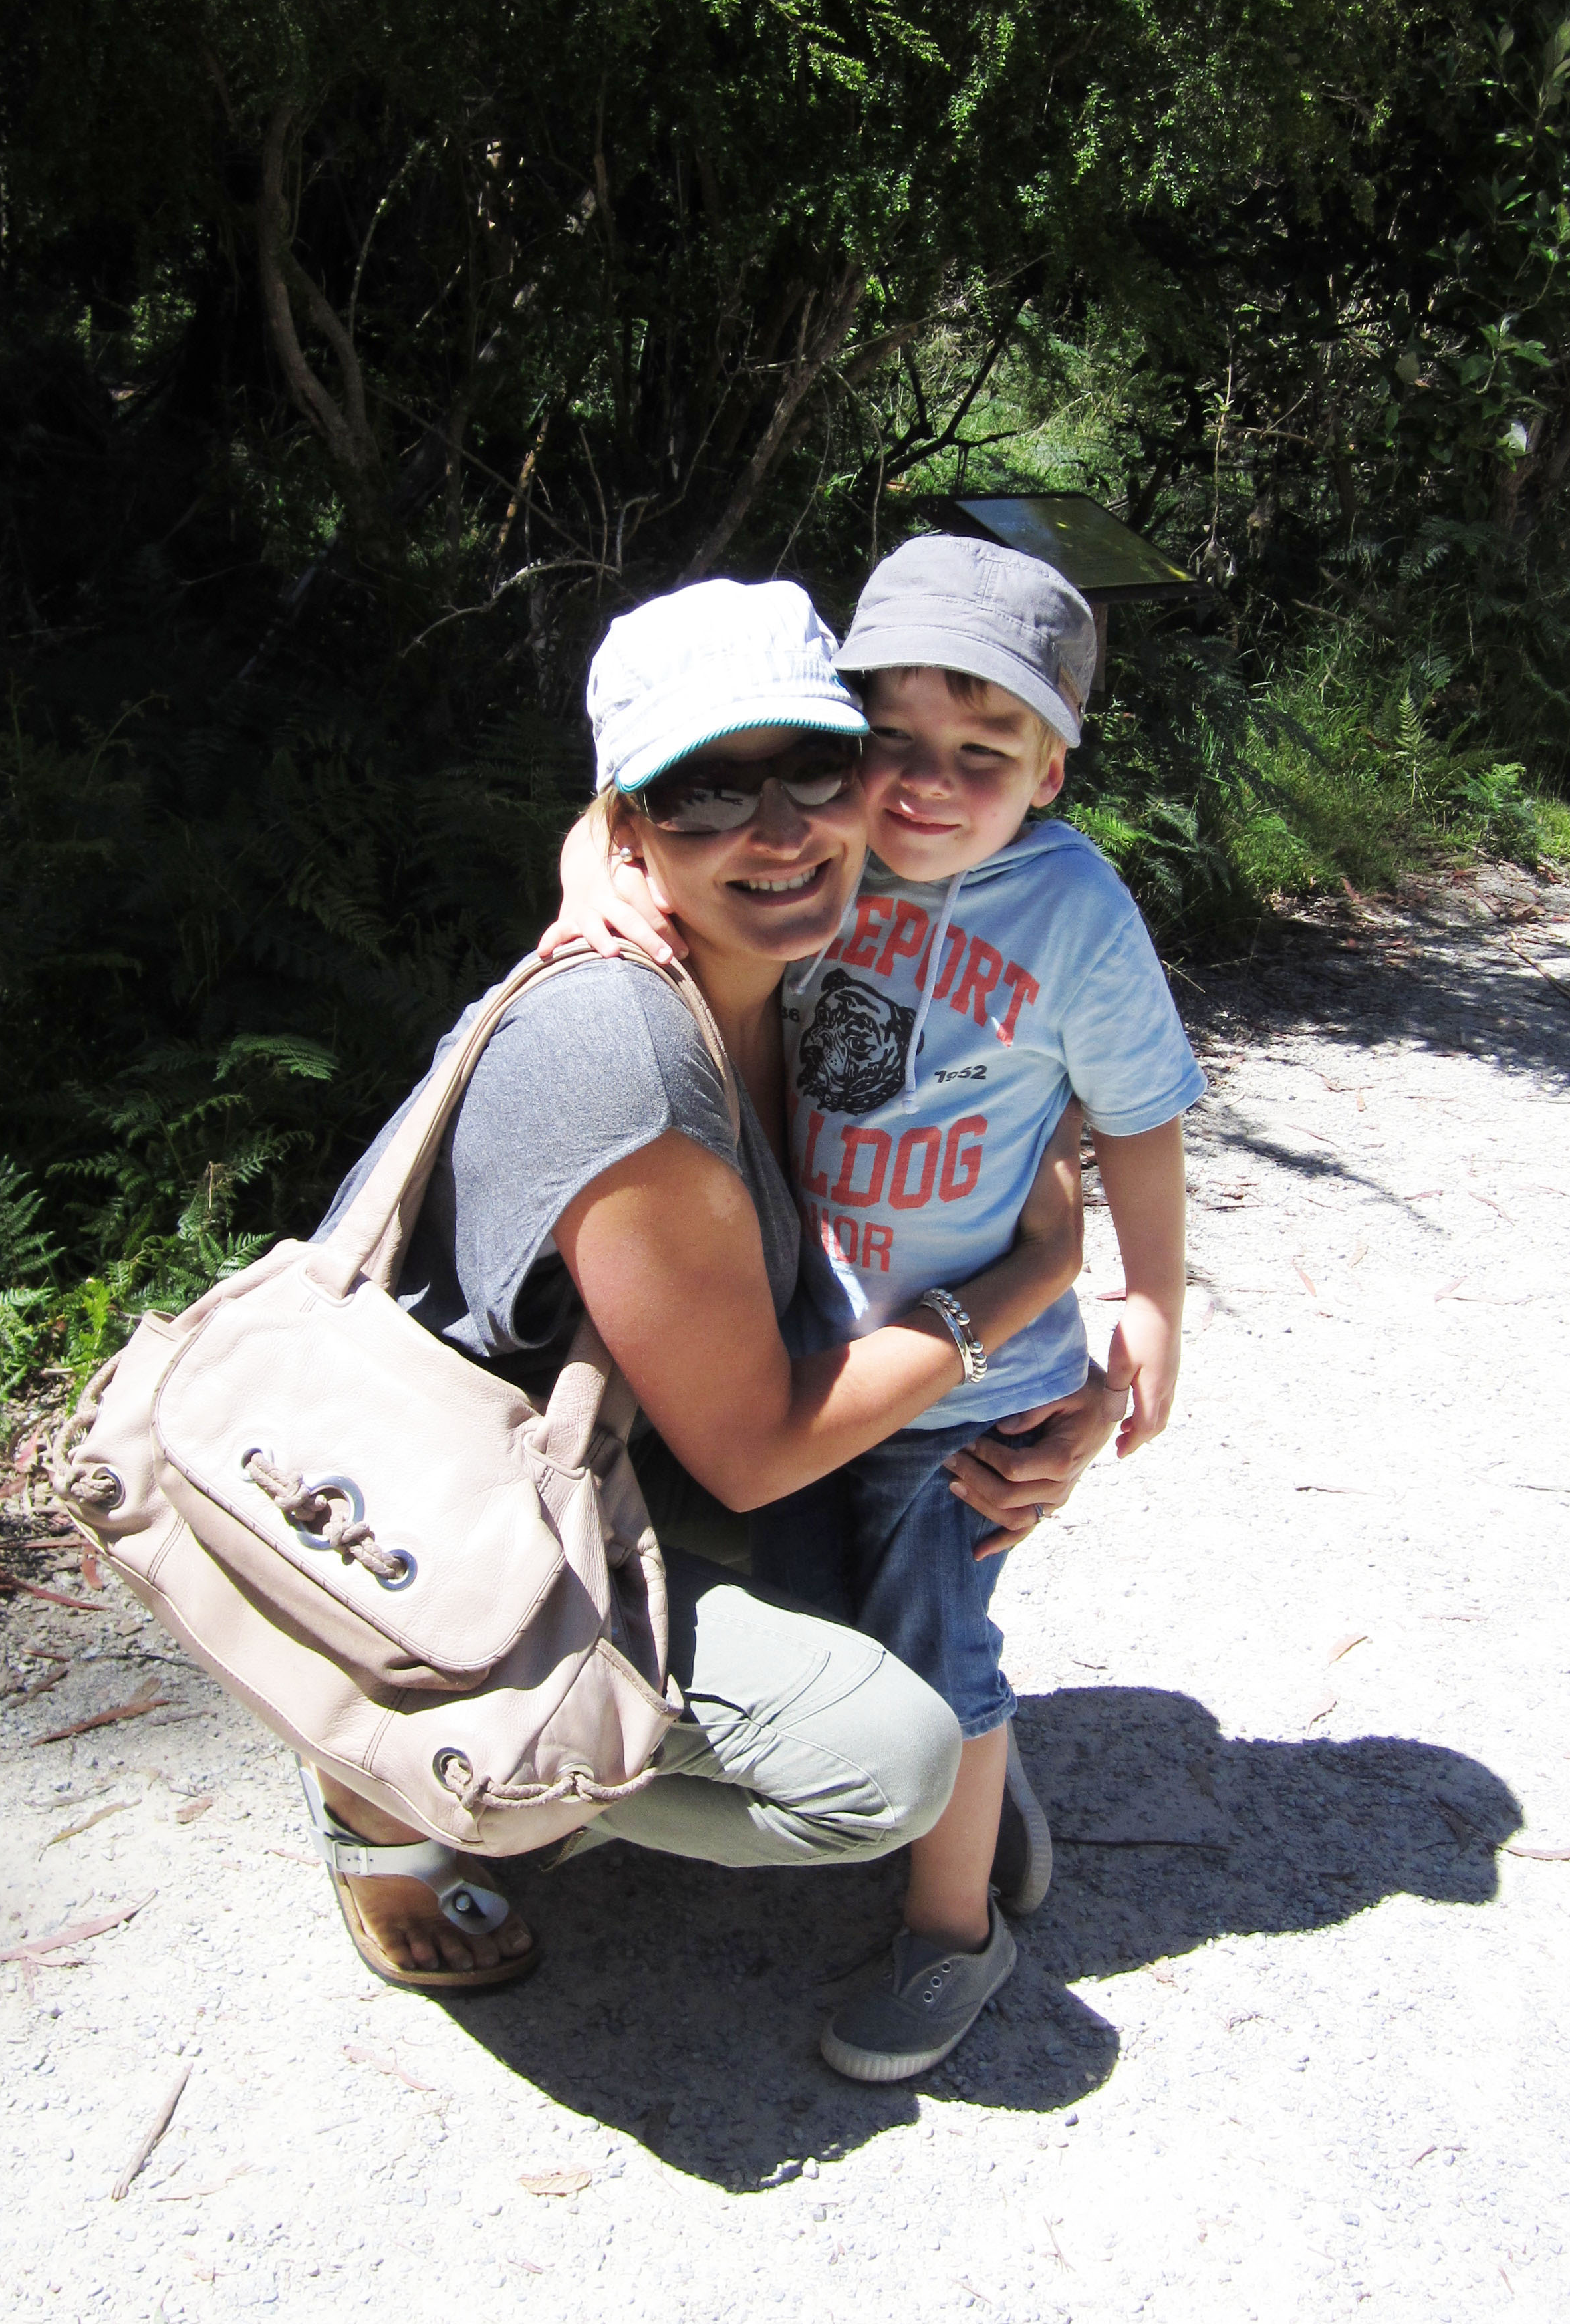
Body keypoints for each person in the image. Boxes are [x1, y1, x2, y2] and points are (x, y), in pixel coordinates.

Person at [298, 575, 1124, 2028]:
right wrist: (1029, 1288)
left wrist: (1083, 1393)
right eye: (703, 792)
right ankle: (394, 1764)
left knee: (919, 1524)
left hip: (630, 1445)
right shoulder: (631, 1050)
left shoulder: (803, 966)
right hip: (441, 1514)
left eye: (814, 765)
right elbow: (756, 1446)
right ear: (632, 828)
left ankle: (907, 1724)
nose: (780, 826)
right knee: (888, 1760)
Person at [554, 535, 1202, 2081]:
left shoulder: (1075, 913)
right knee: (850, 1604)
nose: (926, 786)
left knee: (935, 1643)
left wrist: (1156, 1299)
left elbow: (1141, 1116)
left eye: (985, 755)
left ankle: (953, 1930)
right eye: (892, 743)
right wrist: (593, 876)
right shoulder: (811, 859)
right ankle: (978, 1788)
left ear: (1051, 771)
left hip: (963, 1382)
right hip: (804, 1324)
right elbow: (624, 818)